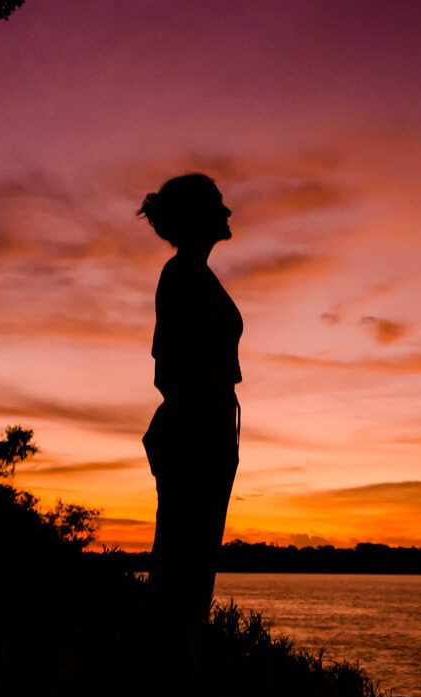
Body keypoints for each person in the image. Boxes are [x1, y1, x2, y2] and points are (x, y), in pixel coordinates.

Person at [138, 173, 242, 644]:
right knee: (182, 572)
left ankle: (176, 685)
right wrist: (208, 429)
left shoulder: (195, 275)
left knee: (191, 574)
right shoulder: (181, 275)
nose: (228, 212)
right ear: (200, 215)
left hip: (207, 435)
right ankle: (165, 693)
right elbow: (168, 369)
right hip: (194, 438)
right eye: (219, 204)